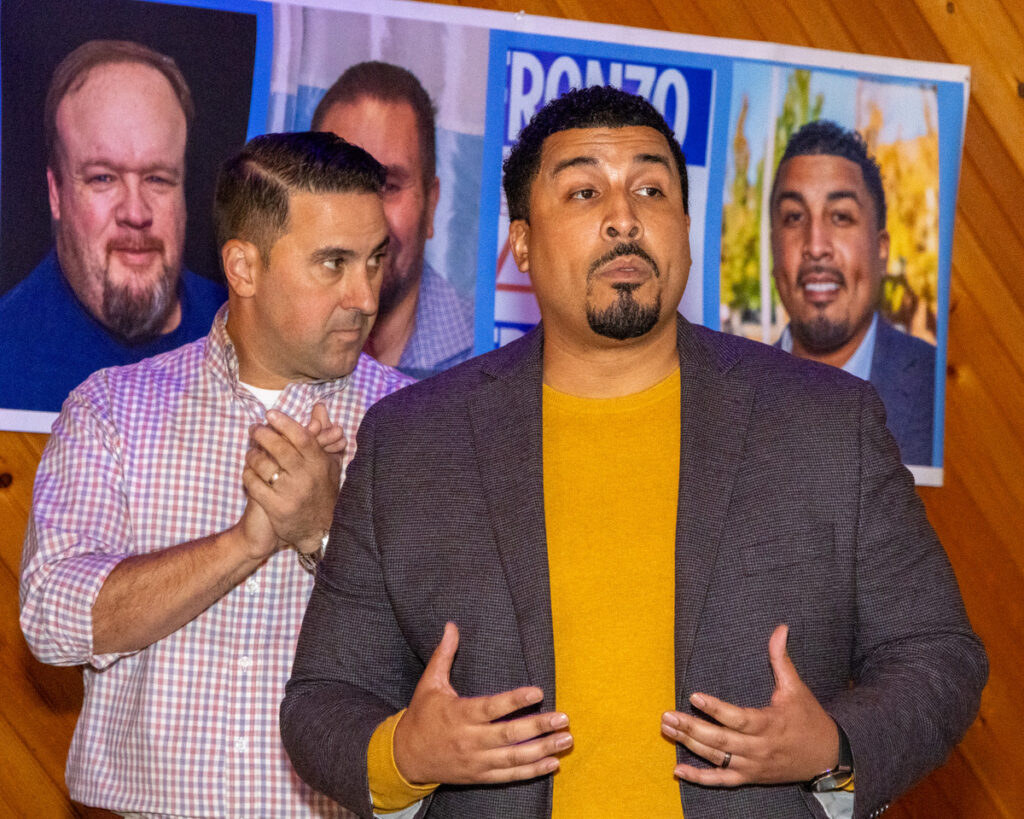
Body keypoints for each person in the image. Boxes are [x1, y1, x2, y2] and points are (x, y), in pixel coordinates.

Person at [280, 87, 986, 819]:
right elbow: (322, 700)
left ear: (684, 227)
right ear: (521, 241)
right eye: (585, 191)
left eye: (651, 189)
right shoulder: (412, 442)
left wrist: (834, 747)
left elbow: (939, 654)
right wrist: (402, 753)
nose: (624, 216)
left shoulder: (827, 423)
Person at [20, 131, 413, 817]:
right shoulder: (114, 409)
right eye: (333, 263)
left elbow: (451, 641)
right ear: (244, 265)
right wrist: (245, 543)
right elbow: (51, 619)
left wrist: (325, 532)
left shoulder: (416, 422)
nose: (364, 294)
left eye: (375, 260)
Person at [0, 39, 226, 413]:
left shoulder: (242, 335)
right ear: (55, 193)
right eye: (103, 178)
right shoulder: (7, 361)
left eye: (157, 179)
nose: (135, 213)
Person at [770, 119, 936, 465]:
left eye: (841, 217)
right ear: (772, 246)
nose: (815, 246)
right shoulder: (729, 398)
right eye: (794, 217)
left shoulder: (936, 390)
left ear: (881, 248)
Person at [313, 61, 474, 379]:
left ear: (431, 206)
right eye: (341, 182)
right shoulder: (264, 344)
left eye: (389, 185)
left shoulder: (488, 359)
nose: (366, 218)